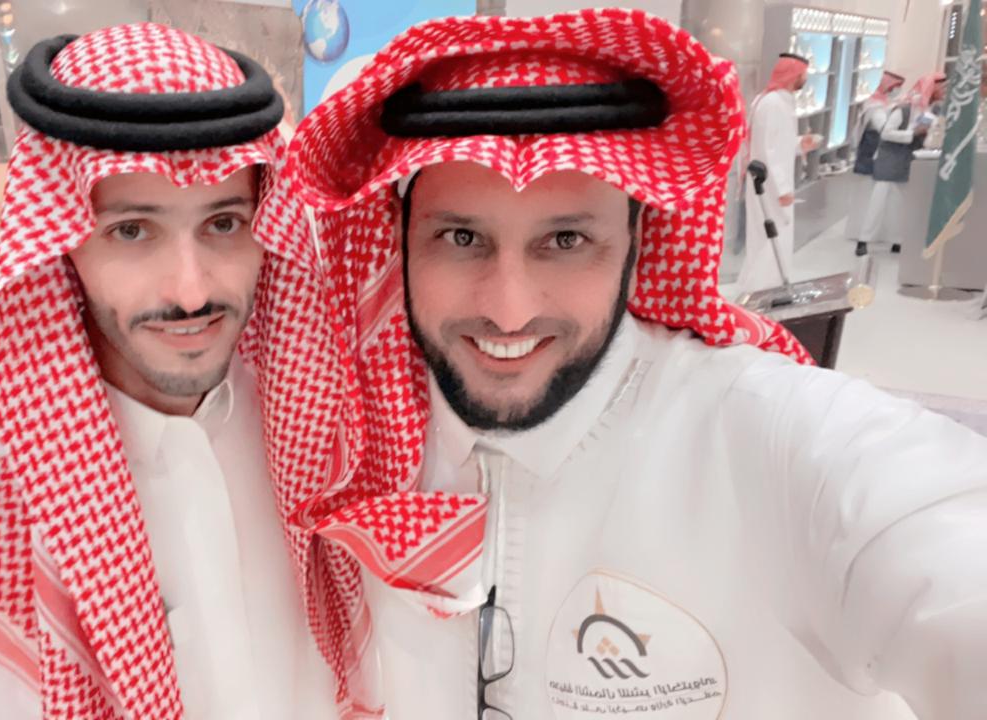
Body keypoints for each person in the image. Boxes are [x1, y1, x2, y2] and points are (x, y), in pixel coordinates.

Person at [285, 10, 987, 719]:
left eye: (565, 241)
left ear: (637, 240)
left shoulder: (770, 436)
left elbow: (941, 548)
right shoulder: (352, 445)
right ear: (399, 239)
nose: (509, 310)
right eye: (462, 238)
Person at [0, 25, 338, 719]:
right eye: (132, 230)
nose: (191, 292)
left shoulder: (318, 420)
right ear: (61, 243)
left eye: (223, 223)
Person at [736, 53, 817, 296]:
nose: (805, 78)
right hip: (768, 186)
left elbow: (778, 143)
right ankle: (760, 292)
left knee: (773, 239)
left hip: (770, 182)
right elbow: (767, 151)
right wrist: (782, 189)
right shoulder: (772, 104)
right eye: (804, 74)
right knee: (770, 238)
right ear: (794, 75)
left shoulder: (779, 101)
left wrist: (800, 144)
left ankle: (767, 289)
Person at [859, 72, 948, 255]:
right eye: (942, 87)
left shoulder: (931, 110)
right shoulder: (904, 109)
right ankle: (864, 240)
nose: (944, 91)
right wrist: (913, 133)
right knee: (878, 203)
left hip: (908, 160)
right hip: (890, 160)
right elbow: (886, 133)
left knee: (899, 204)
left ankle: (897, 240)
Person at [848, 70, 906, 256]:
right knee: (871, 198)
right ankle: (863, 235)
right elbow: (883, 128)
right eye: (895, 87)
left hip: (884, 157)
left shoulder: (886, 104)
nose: (897, 91)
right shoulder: (874, 106)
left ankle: (884, 235)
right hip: (872, 155)